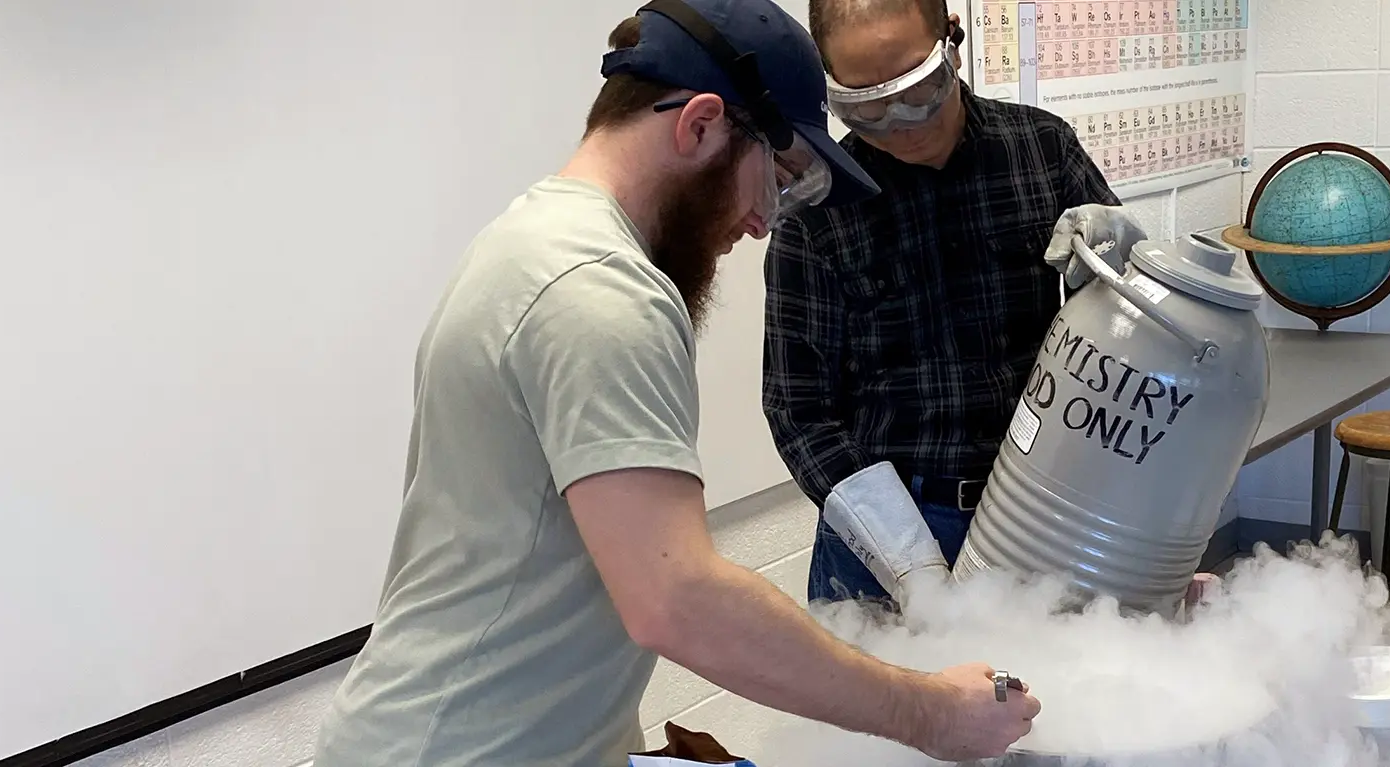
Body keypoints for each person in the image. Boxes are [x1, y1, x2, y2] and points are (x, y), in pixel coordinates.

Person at [310, 1, 1038, 765]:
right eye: (778, 178)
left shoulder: (536, 240)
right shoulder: (598, 294)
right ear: (698, 124)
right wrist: (931, 713)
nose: (763, 222)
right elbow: (681, 601)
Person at [762, 0, 1156, 605]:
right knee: (880, 698)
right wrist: (907, 563)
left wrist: (1126, 269)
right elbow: (799, 409)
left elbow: (1118, 333)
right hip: (888, 521)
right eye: (866, 107)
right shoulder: (821, 207)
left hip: (1034, 508)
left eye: (918, 90)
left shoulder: (1041, 149)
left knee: (1050, 697)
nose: (900, 123)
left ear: (953, 42)